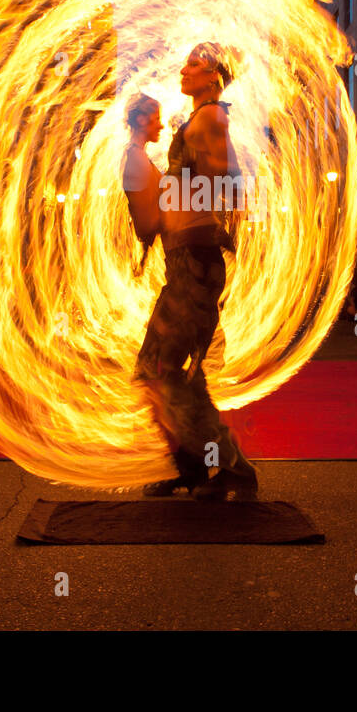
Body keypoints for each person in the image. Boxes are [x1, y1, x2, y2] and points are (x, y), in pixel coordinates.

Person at [127, 43, 258, 501]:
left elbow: (227, 180)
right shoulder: (201, 120)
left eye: (194, 64)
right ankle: (198, 468)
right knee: (165, 371)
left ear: (215, 76)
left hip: (196, 266)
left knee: (166, 371)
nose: (183, 69)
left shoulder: (210, 119)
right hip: (185, 264)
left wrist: (174, 196)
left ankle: (229, 469)